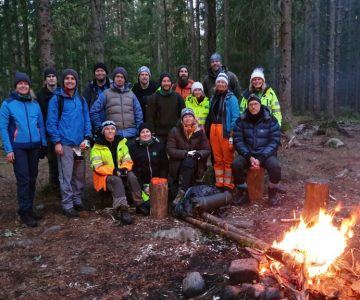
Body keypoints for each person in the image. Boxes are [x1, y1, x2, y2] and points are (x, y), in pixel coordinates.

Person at [0, 72, 47, 227]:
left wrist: (43, 143)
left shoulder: (34, 104)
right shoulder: (8, 104)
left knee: (33, 178)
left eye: (26, 83)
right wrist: (9, 149)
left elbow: (40, 124)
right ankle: (24, 212)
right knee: (24, 180)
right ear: (16, 86)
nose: (23, 86)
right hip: (18, 148)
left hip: (34, 146)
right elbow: (3, 128)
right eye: (20, 83)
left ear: (29, 86)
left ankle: (30, 209)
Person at [46, 69, 92, 218]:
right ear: (63, 81)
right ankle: (67, 204)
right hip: (64, 144)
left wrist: (87, 137)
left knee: (79, 175)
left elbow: (87, 120)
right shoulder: (56, 99)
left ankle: (77, 200)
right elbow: (51, 123)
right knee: (66, 175)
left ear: (76, 81)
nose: (70, 81)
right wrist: (57, 142)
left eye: (73, 78)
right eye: (67, 78)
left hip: (79, 144)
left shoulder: (81, 100)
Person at [90, 120, 149, 223]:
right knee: (116, 180)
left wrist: (125, 168)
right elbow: (97, 167)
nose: (110, 131)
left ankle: (139, 203)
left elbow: (128, 160)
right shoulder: (96, 147)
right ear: (103, 132)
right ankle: (123, 210)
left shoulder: (122, 143)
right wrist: (113, 171)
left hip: (120, 172)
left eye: (112, 129)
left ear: (115, 131)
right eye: (107, 129)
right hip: (104, 177)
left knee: (131, 176)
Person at [232, 94, 281, 206]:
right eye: (250, 105)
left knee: (275, 168)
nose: (253, 107)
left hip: (265, 154)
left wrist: (261, 157)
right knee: (236, 165)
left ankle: (272, 194)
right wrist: (249, 156)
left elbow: (274, 141)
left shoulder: (271, 120)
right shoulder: (241, 120)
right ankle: (243, 193)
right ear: (247, 106)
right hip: (247, 154)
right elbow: (238, 140)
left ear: (260, 105)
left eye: (255, 104)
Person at [167, 108, 211, 205]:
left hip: (195, 162)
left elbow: (207, 149)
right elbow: (170, 150)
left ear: (194, 118)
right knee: (188, 161)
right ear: (182, 119)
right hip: (178, 163)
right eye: (185, 117)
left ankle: (182, 192)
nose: (188, 119)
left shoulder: (199, 131)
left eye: (190, 116)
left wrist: (198, 153)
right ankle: (183, 192)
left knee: (190, 161)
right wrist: (186, 154)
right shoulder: (175, 131)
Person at [205, 72, 240, 191]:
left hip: (225, 130)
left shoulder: (232, 98)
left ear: (227, 84)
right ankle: (219, 182)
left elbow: (236, 117)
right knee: (217, 158)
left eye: (223, 82)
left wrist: (232, 135)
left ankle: (228, 184)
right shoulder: (213, 97)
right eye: (218, 82)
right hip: (213, 129)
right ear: (216, 84)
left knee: (228, 159)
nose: (220, 84)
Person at [90, 67, 143, 142]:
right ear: (114, 78)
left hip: (131, 134)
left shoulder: (131, 94)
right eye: (117, 76)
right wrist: (101, 128)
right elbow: (93, 111)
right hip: (114, 135)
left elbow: (138, 113)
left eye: (122, 77)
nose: (120, 79)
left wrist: (138, 129)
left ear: (125, 79)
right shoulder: (106, 93)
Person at [128, 122, 168, 208]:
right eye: (142, 132)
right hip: (143, 184)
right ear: (139, 134)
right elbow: (134, 169)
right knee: (148, 207)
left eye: (147, 131)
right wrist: (144, 186)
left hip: (158, 182)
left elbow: (164, 166)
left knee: (161, 204)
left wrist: (160, 182)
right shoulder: (133, 148)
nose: (145, 134)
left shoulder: (159, 146)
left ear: (151, 133)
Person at [36, 67, 59, 186]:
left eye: (53, 76)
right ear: (45, 80)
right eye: (48, 76)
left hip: (62, 131)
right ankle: (54, 188)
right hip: (48, 133)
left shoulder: (62, 92)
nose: (51, 78)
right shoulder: (39, 95)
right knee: (53, 161)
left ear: (56, 78)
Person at [146, 72, 185, 144]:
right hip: (158, 135)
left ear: (171, 83)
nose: (166, 83)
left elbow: (182, 116)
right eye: (164, 81)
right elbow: (149, 117)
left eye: (168, 81)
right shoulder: (153, 98)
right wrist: (152, 132)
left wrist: (178, 128)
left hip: (174, 133)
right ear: (160, 83)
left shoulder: (178, 97)